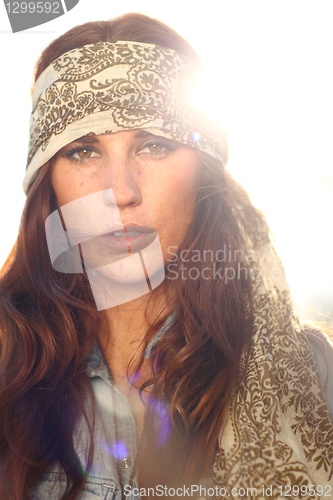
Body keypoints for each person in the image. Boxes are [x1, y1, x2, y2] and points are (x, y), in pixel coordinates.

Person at [0, 12, 332, 500]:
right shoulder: (9, 365)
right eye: (84, 152)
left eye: (154, 146)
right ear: (47, 183)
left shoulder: (308, 373)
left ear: (205, 174)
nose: (120, 192)